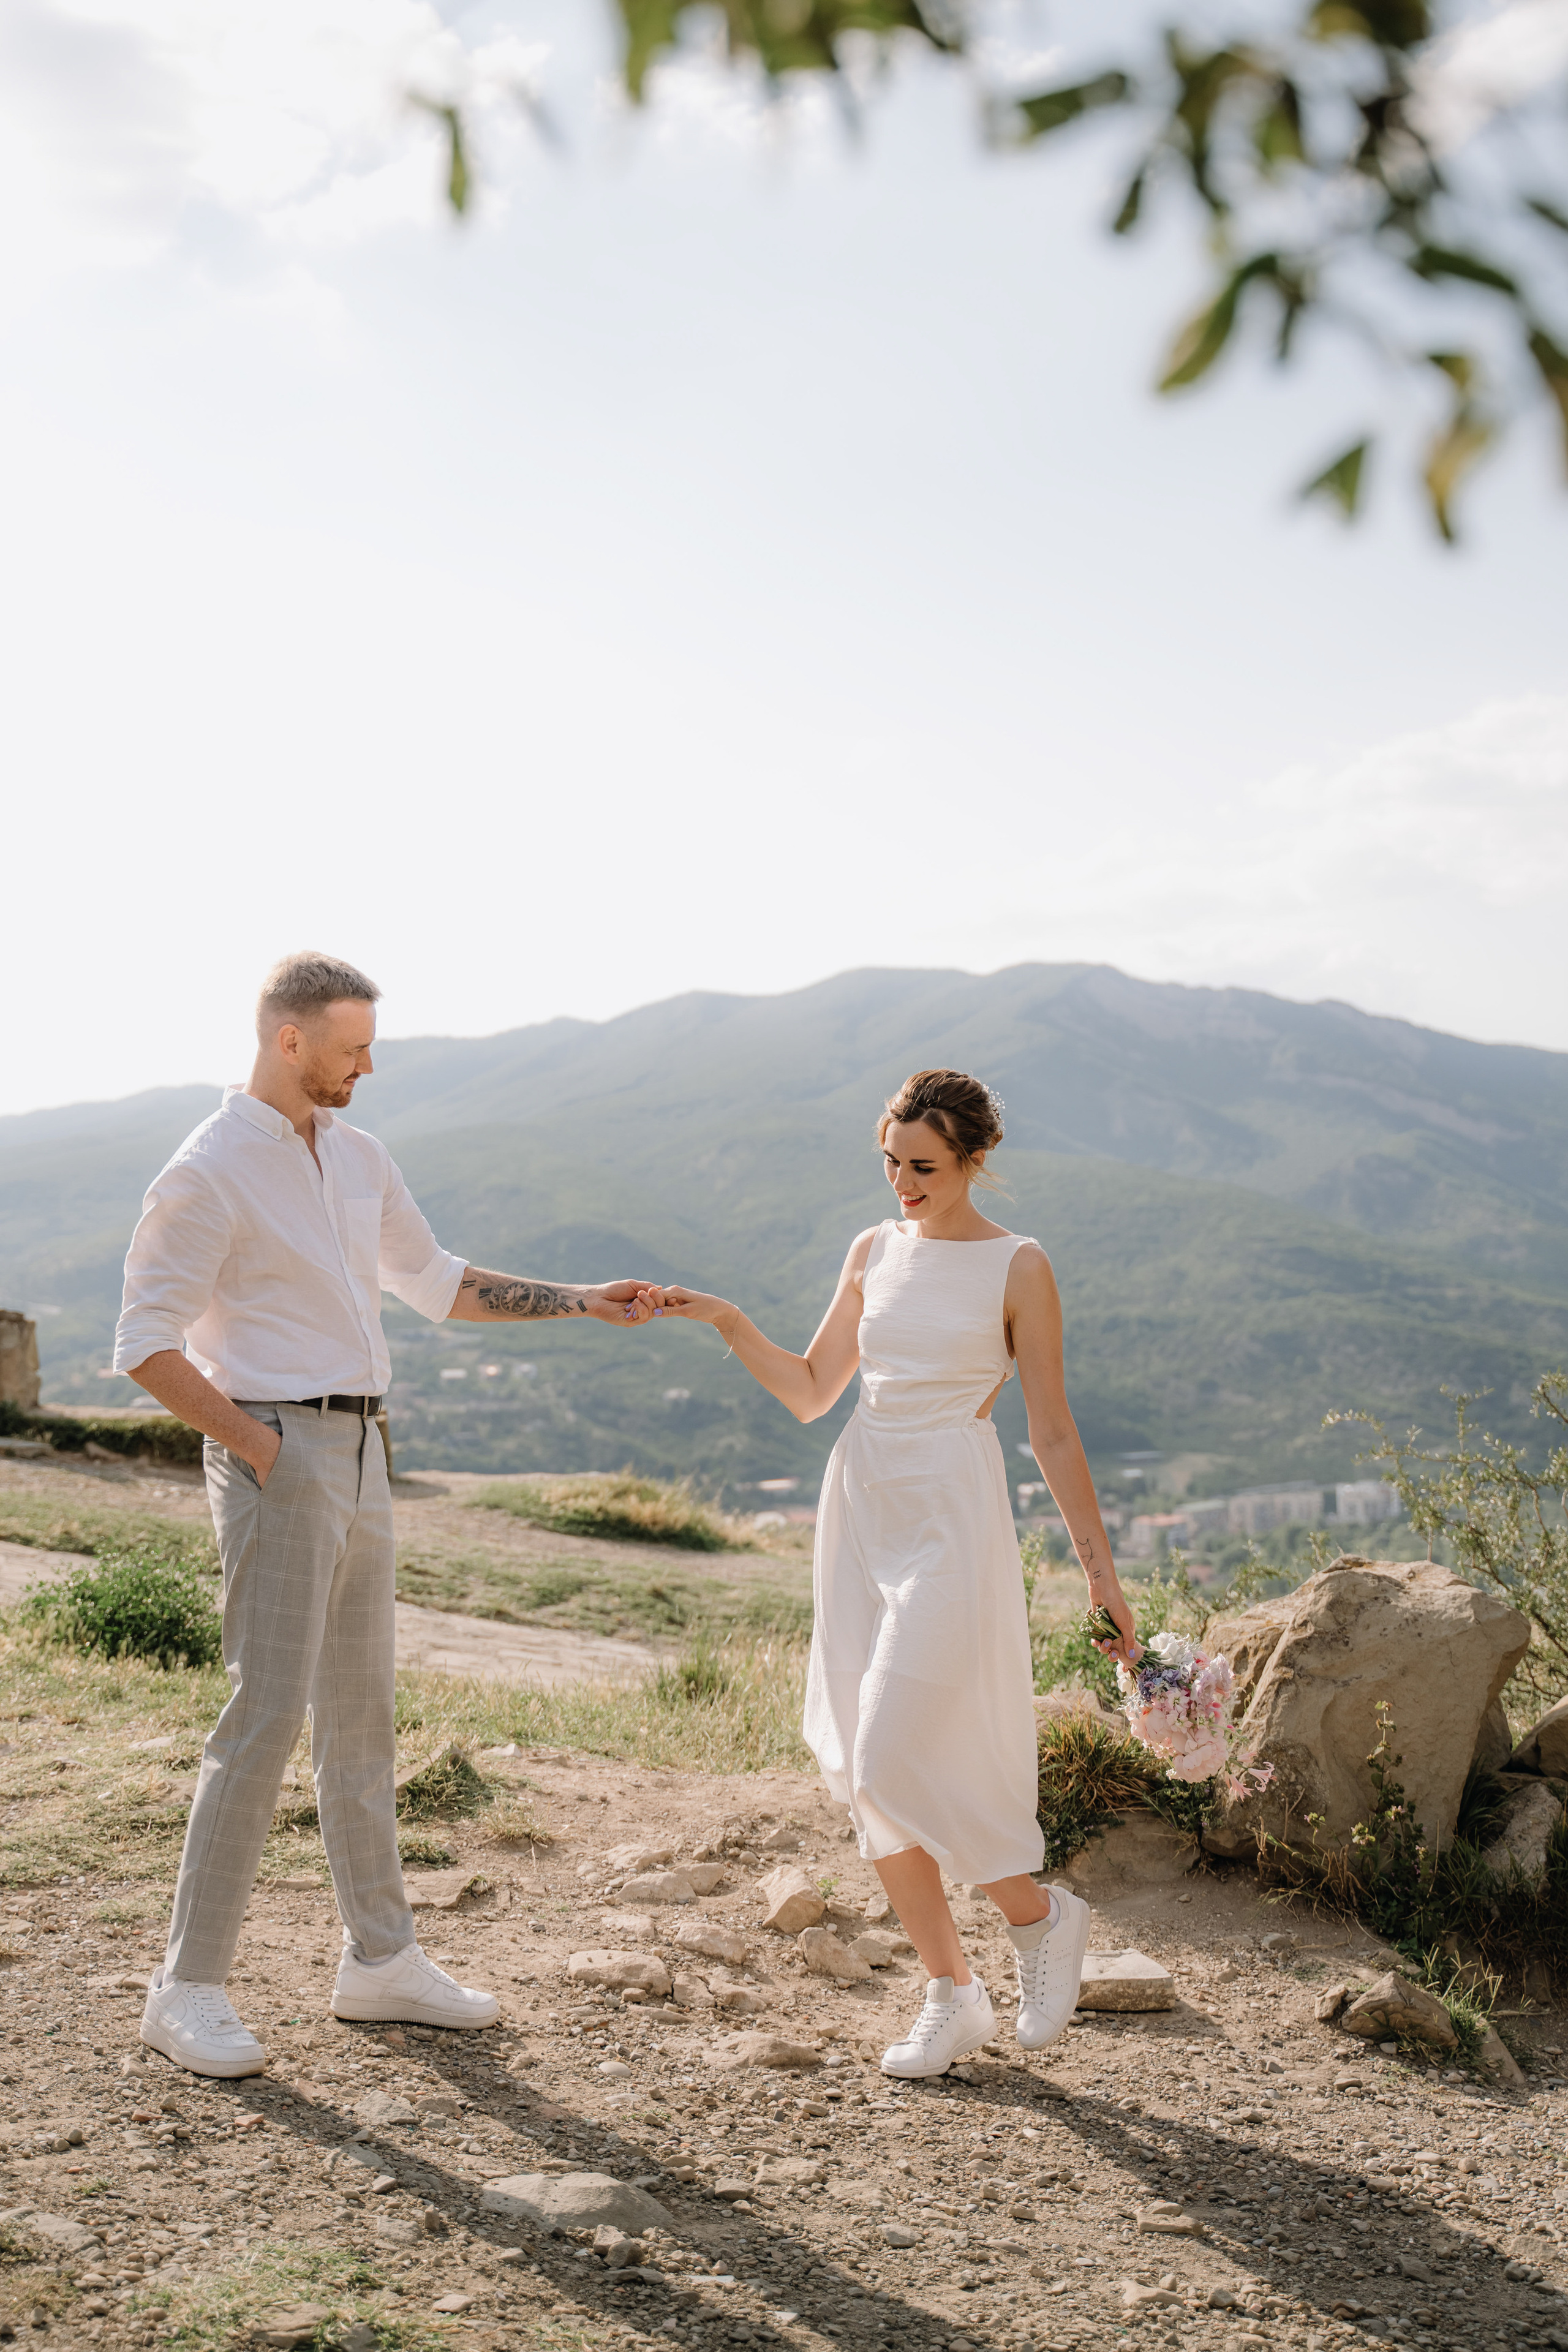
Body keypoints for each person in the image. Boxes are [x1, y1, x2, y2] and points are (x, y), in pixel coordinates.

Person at [113, 951, 658, 2079]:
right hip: (279, 1451)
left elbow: (443, 1284)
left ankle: (381, 1960)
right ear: (289, 1040)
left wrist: (580, 1302)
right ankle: (188, 1986)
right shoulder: (207, 1169)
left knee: (361, 1718)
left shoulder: (357, 1155)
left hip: (363, 1446)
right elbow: (144, 1348)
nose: (370, 1065)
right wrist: (263, 1447)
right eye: (353, 1047)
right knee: (263, 1717)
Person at [645, 1068, 1140, 2078]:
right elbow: (814, 1390)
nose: (902, 1183)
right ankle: (951, 1994)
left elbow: (1050, 1428)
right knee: (871, 1778)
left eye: (923, 1167)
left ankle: (1039, 1916)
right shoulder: (872, 1250)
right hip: (863, 1500)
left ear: (973, 1163)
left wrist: (1102, 1577)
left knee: (886, 1754)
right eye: (890, 1163)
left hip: (951, 1510)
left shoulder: (1020, 1266)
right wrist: (727, 1320)